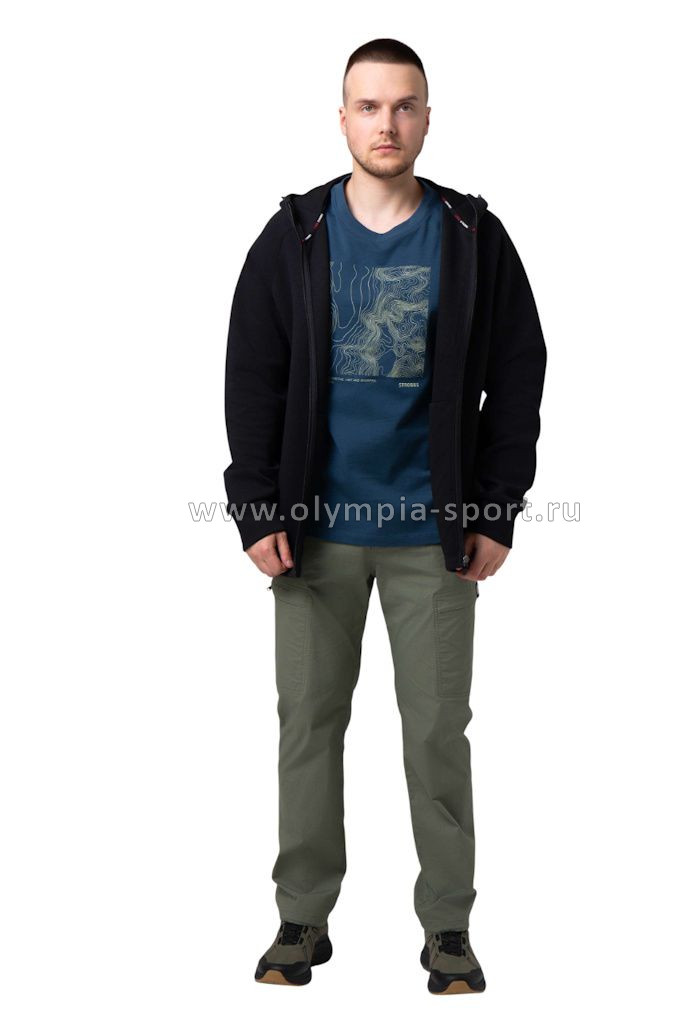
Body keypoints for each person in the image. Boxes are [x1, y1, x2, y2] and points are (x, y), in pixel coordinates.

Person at [223, 38, 547, 994]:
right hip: (312, 534)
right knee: (308, 728)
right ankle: (300, 918)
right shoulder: (296, 236)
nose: (387, 123)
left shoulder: (473, 236)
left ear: (428, 117)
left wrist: (496, 510)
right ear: (343, 119)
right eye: (368, 106)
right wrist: (255, 508)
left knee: (437, 734)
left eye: (404, 106)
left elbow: (518, 374)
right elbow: (252, 375)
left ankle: (448, 928)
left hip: (432, 539)